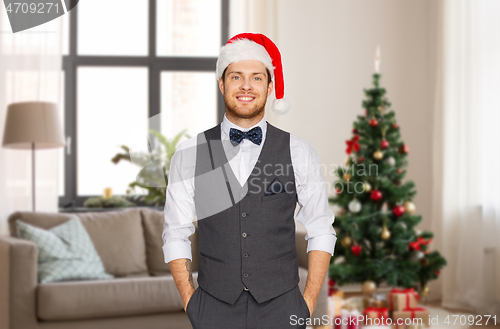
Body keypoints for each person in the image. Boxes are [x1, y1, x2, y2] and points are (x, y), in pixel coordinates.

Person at [162, 33, 336, 329]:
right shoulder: (190, 153)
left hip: (282, 307)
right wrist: (190, 300)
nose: (245, 86)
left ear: (270, 87)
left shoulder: (299, 151)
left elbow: (320, 228)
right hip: (212, 308)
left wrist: (306, 304)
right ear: (221, 84)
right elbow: (175, 233)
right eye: (236, 77)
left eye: (256, 78)